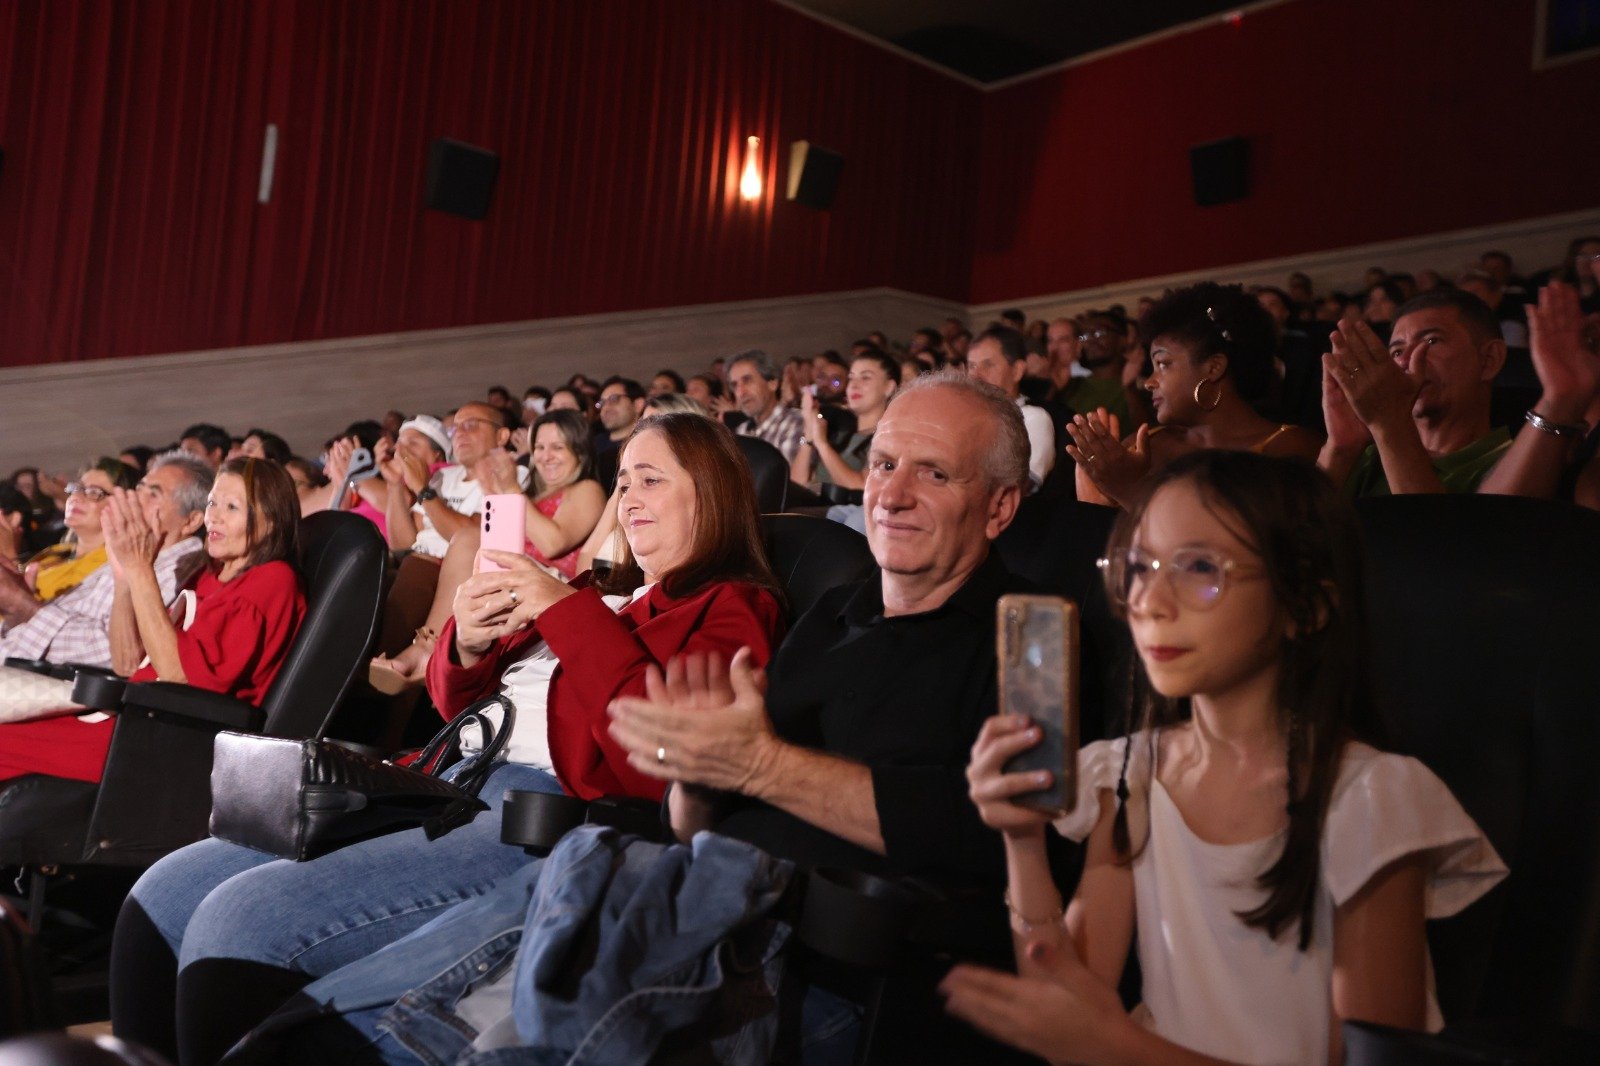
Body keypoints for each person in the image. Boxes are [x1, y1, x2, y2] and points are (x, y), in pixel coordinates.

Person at [208, 370, 1038, 1063]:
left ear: (999, 508)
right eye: (883, 463)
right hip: (645, 873)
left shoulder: (1027, 644)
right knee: (297, 1030)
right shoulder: (832, 616)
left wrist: (737, 768)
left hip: (781, 943)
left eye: (933, 472)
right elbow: (687, 781)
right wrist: (465, 641)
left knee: (330, 998)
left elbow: (990, 836)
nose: (888, 491)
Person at [110, 413, 786, 1065]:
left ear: (713, 491)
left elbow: (666, 762)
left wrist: (564, 611)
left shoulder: (731, 606)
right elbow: (449, 701)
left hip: (540, 820)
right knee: (161, 897)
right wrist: (464, 641)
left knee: (238, 926)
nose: (628, 499)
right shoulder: (601, 591)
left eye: (651, 480)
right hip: (445, 780)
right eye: (624, 482)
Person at [944, 450, 1505, 1064]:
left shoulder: (1369, 798)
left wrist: (1121, 1049)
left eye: (1200, 567)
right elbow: (1066, 1007)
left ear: (1305, 606)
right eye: (1139, 567)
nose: (1151, 601)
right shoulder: (1132, 774)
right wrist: (1022, 840)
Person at [0, 457, 304, 785]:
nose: (214, 516)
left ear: (270, 520)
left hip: (167, 738)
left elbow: (180, 676)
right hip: (132, 715)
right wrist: (125, 575)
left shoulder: (272, 581)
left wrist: (140, 568)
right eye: (213, 502)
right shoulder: (212, 573)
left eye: (231, 507)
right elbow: (128, 662)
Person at [368, 410, 606, 690]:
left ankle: (427, 649)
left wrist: (509, 489)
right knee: (454, 549)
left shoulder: (587, 489)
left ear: (579, 450)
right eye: (539, 447)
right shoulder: (535, 495)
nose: (546, 456)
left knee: (469, 538)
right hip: (508, 576)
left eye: (557, 447)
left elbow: (552, 543)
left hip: (547, 585)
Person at [1069, 283, 1322, 509]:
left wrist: (1127, 491)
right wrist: (1093, 504)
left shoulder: (1290, 449)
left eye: (1164, 363)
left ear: (1214, 368)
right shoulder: (1142, 446)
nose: (1149, 382)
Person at [0, 452, 211, 670]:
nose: (136, 500)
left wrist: (23, 605)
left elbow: (110, 654)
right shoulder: (130, 554)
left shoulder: (178, 569)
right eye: (139, 490)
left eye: (153, 495)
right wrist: (19, 608)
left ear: (191, 521)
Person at [1318, 289, 1513, 496]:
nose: (1404, 362)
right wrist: (1340, 447)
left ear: (1490, 359)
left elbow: (1425, 528)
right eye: (1397, 351)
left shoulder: (1516, 461)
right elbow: (1298, 527)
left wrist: (1390, 422)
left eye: (1431, 341)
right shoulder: (1368, 456)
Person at [8, 458, 138, 609]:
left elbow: (52, 617)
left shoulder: (109, 566)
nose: (76, 497)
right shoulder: (57, 551)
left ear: (124, 506)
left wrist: (8, 554)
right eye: (78, 488)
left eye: (93, 492)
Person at [966, 326, 1056, 491]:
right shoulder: (962, 419)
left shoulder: (1032, 419)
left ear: (1017, 370)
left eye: (988, 365)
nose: (976, 375)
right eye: (971, 366)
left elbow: (1019, 487)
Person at [729, 349, 807, 461]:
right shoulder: (740, 432)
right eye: (735, 385)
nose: (740, 392)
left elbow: (787, 477)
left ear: (772, 384)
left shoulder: (796, 422)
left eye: (747, 381)